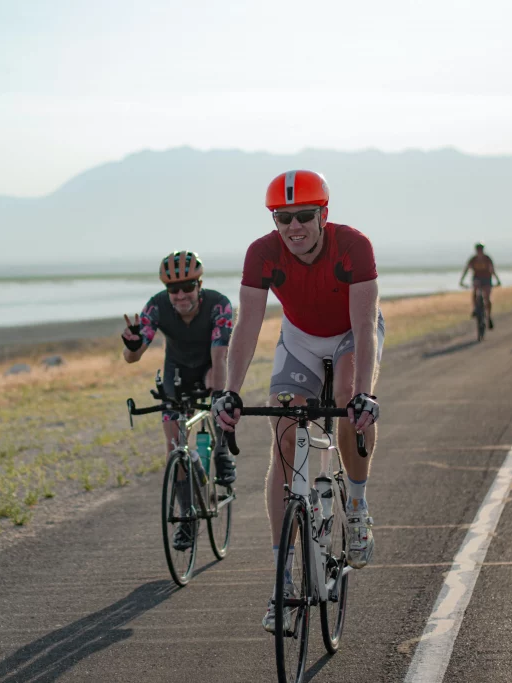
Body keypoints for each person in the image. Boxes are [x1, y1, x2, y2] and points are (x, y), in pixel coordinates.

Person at [211, 170, 383, 634]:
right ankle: (282, 581)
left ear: (323, 214)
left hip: (349, 334)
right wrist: (230, 391)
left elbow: (365, 327)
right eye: (283, 218)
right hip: (300, 341)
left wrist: (365, 394)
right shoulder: (261, 254)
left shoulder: (353, 246)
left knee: (349, 402)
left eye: (304, 216)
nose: (294, 227)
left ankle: (358, 508)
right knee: (285, 435)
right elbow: (246, 328)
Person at [122, 251, 235, 550]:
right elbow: (133, 357)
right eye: (174, 289)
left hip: (212, 363)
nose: (181, 294)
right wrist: (132, 346)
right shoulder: (157, 305)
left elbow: (221, 354)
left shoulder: (219, 304)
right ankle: (186, 516)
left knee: (216, 388)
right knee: (174, 445)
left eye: (188, 287)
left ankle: (222, 449)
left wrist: (218, 397)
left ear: (200, 285)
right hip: (176, 373)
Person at [459, 242, 502, 328]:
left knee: (487, 297)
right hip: (477, 278)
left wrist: (497, 280)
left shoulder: (487, 259)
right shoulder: (473, 259)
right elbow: (466, 269)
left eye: (481, 250)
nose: (479, 251)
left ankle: (488, 316)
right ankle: (475, 308)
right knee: (475, 290)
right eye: (478, 250)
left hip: (487, 278)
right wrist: (461, 280)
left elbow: (492, 270)